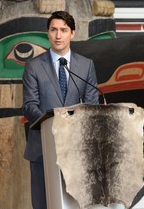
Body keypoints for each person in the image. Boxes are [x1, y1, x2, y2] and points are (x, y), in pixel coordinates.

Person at [22, 11, 99, 209]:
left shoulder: (86, 66)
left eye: (63, 30)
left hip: (76, 149)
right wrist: (52, 127)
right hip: (42, 148)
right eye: (53, 30)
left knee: (75, 204)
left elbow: (91, 106)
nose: (58, 35)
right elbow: (29, 105)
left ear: (72, 33)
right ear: (47, 33)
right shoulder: (33, 66)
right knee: (42, 204)